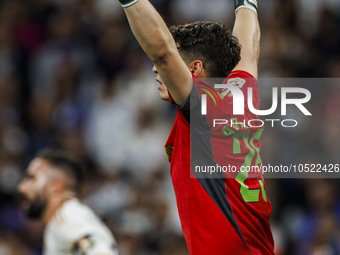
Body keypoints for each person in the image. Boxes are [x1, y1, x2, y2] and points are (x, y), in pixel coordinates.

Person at [118, 0, 274, 254]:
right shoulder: (241, 92)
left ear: (194, 69)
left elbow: (162, 51)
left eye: (173, 67)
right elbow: (249, 48)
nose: (157, 70)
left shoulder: (204, 109)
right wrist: (247, 5)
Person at [17, 149, 118, 255]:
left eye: (32, 178)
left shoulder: (68, 216)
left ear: (55, 186)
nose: (22, 187)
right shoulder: (59, 221)